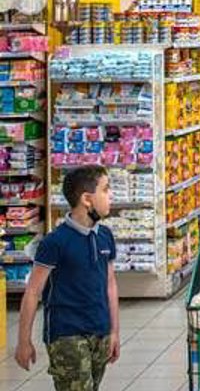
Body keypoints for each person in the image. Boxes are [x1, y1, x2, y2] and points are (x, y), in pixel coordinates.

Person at [15, 166, 119, 390]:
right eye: (106, 189)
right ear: (87, 199)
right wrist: (24, 341)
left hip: (99, 329)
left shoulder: (105, 236)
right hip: (66, 334)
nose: (111, 194)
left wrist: (114, 331)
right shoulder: (55, 242)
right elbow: (33, 292)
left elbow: (110, 284)